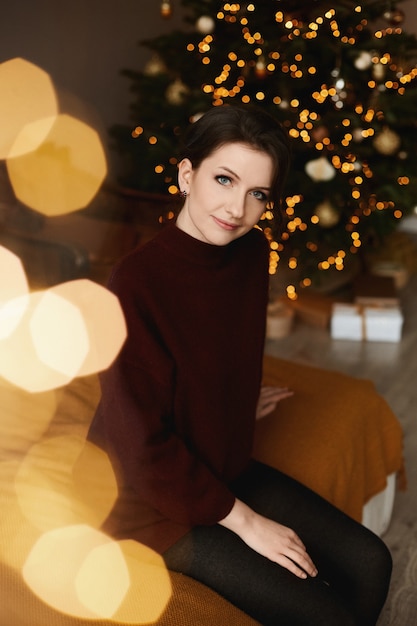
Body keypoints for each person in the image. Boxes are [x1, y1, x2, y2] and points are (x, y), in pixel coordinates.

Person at [88, 105, 392, 625]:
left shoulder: (251, 252)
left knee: (371, 563)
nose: (237, 208)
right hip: (147, 506)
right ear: (187, 175)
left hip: (216, 465)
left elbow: (218, 351)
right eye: (224, 179)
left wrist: (232, 405)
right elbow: (141, 451)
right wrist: (248, 523)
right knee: (324, 613)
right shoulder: (134, 285)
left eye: (258, 194)